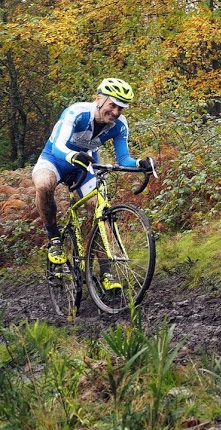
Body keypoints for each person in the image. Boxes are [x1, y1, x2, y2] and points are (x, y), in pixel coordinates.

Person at [32, 78, 154, 290]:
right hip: (54, 159)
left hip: (85, 164)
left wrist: (140, 163)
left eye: (121, 108)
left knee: (101, 209)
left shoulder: (120, 125)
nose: (116, 112)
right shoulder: (76, 113)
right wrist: (72, 156)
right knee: (43, 185)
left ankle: (106, 272)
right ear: (99, 99)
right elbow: (59, 144)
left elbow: (123, 158)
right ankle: (54, 241)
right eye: (112, 105)